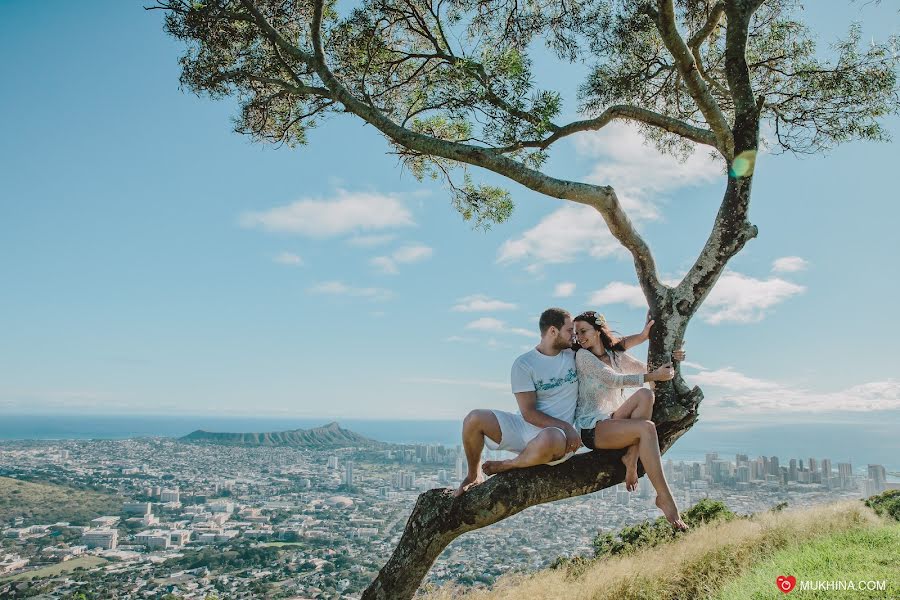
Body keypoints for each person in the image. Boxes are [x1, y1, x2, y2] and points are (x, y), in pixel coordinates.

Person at [573, 310, 688, 530]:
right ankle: (664, 497)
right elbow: (613, 380)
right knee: (647, 428)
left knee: (646, 395)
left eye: (584, 331)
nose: (579, 337)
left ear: (598, 330)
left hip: (613, 418)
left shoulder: (616, 356)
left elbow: (650, 371)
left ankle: (631, 457)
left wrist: (675, 359)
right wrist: (654, 376)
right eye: (577, 333)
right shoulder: (583, 357)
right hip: (591, 428)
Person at [453, 308, 584, 497]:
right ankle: (473, 475)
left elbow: (609, 345)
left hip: (556, 439)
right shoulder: (524, 364)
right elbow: (528, 413)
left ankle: (509, 464)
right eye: (569, 330)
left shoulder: (575, 355)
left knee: (550, 437)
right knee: (474, 418)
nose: (574, 335)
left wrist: (642, 335)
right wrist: (566, 426)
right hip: (526, 428)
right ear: (553, 331)